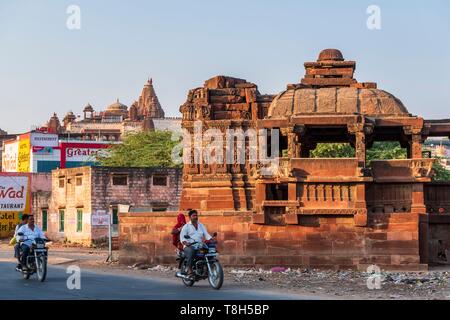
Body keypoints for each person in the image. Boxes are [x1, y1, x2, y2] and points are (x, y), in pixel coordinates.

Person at [179, 210, 214, 276]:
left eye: (196, 215)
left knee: (209, 250)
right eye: (194, 216)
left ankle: (206, 267)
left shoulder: (201, 225)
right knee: (191, 251)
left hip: (199, 245)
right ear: (190, 217)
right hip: (189, 246)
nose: (196, 217)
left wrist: (211, 239)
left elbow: (206, 234)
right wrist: (186, 243)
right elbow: (182, 238)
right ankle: (189, 268)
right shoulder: (186, 226)